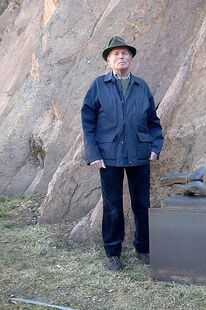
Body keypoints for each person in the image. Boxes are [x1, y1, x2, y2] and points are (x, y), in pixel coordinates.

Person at [81, 36, 163, 271]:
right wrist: (93, 153)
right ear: (108, 60)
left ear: (131, 58)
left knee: (141, 204)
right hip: (108, 156)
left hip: (139, 153)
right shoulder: (98, 85)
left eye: (125, 53)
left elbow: (153, 121)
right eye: (115, 54)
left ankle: (143, 248)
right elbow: (88, 122)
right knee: (113, 205)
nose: (121, 57)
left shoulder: (141, 86)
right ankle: (113, 253)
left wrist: (155, 148)